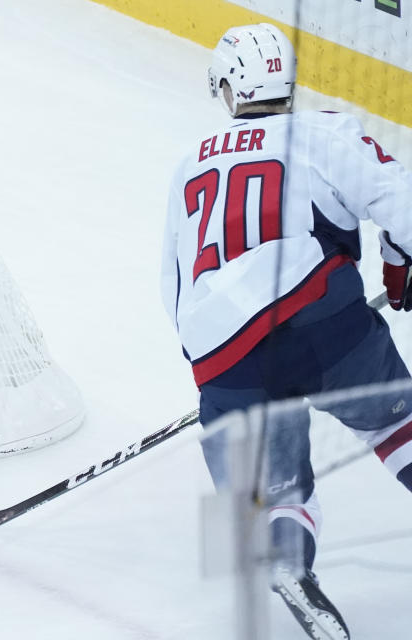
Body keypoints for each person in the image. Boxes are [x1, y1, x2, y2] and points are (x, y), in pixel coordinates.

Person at [161, 23, 412, 640]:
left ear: (229, 86)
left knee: (275, 492)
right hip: (321, 322)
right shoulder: (324, 133)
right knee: (397, 422)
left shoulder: (190, 163)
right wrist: (402, 267)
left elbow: (173, 282)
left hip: (223, 353)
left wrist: (211, 375)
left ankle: (289, 565)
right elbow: (401, 199)